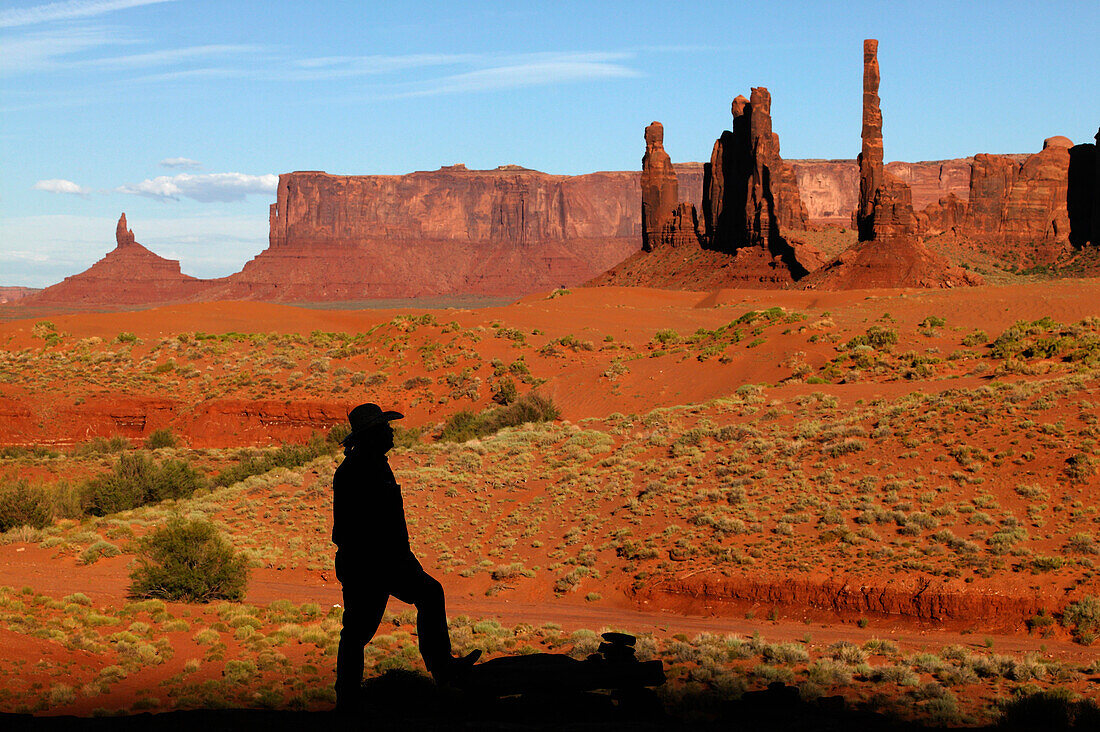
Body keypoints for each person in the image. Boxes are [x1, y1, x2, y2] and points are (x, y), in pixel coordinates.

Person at [332, 402, 479, 712]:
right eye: (385, 428)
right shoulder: (362, 469)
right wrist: (396, 560)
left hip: (374, 561)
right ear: (372, 434)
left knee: (360, 629)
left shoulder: (368, 464)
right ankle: (440, 671)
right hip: (372, 563)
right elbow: (368, 526)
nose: (391, 432)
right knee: (362, 628)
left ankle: (349, 696)